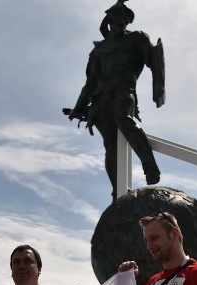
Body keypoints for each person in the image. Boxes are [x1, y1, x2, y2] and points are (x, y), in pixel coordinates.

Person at [64, 0, 165, 198]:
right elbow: (91, 82)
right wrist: (78, 108)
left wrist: (154, 55)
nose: (122, 23)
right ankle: (117, 192)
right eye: (118, 19)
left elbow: (153, 61)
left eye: (125, 20)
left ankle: (149, 165)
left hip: (124, 90)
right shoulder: (99, 50)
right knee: (110, 147)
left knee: (123, 118)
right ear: (109, 20)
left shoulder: (136, 39)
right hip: (101, 100)